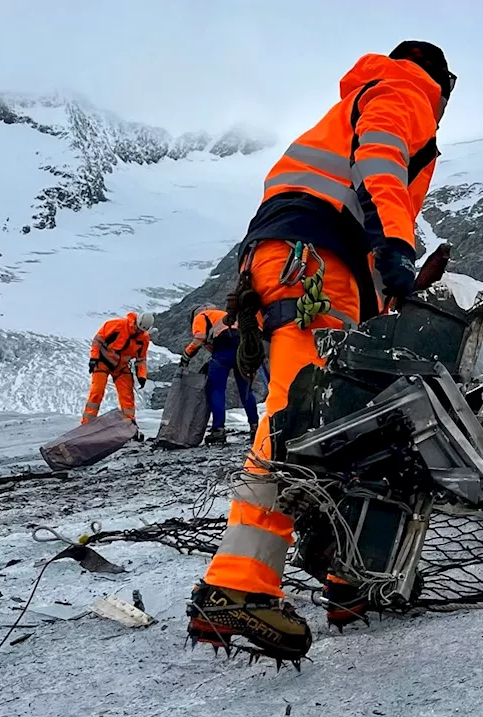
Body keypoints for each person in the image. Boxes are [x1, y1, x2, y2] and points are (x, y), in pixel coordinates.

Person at [186, 40, 455, 662]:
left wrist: (394, 284)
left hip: (305, 257)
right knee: (298, 417)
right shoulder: (404, 88)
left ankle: (346, 576)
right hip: (315, 260)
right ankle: (236, 588)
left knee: (348, 420)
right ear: (445, 82)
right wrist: (395, 245)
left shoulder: (356, 103)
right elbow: (379, 164)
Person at [181, 304, 260, 444]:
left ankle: (218, 430)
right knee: (246, 390)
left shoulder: (200, 316)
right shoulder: (223, 314)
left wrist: (186, 356)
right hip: (241, 350)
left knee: (216, 390)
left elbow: (199, 338)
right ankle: (255, 427)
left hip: (222, 352)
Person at [83, 312, 153, 429]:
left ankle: (129, 425)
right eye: (138, 329)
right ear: (136, 322)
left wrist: (142, 375)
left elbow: (141, 359)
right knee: (97, 392)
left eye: (142, 331)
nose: (139, 332)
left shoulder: (143, 338)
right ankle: (86, 425)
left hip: (121, 368)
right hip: (103, 363)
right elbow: (98, 340)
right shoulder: (117, 325)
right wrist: (94, 358)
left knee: (127, 396)